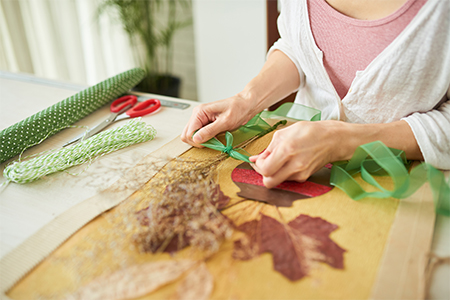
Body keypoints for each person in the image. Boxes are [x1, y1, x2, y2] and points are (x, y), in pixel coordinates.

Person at [181, 0, 450, 189]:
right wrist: (247, 100)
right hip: (303, 177)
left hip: (411, 192)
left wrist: (340, 141)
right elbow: (298, 48)